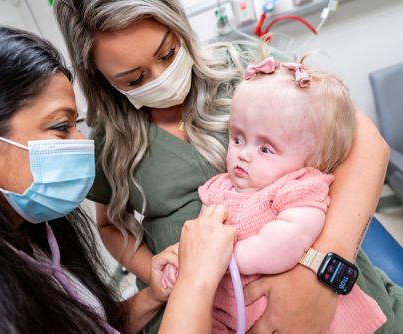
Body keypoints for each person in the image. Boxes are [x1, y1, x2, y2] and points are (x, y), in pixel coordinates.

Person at [55, 0, 403, 333]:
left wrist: (320, 273)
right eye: (134, 79)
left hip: (324, 283)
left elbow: (364, 143)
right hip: (205, 310)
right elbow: (110, 225)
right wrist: (172, 278)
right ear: (100, 78)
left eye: (168, 53)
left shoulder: (249, 68)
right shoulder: (110, 140)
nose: (161, 77)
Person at [0, 25, 238, 333]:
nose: (81, 144)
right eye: (61, 127)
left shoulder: (35, 240)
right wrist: (196, 279)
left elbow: (90, 325)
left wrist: (155, 295)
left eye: (76, 124)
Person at [162, 56, 390, 333]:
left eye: (266, 149)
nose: (243, 154)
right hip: (230, 308)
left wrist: (226, 258)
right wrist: (185, 266)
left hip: (300, 314)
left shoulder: (298, 186)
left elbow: (286, 242)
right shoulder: (221, 187)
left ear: (313, 159)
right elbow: (201, 237)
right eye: (237, 138)